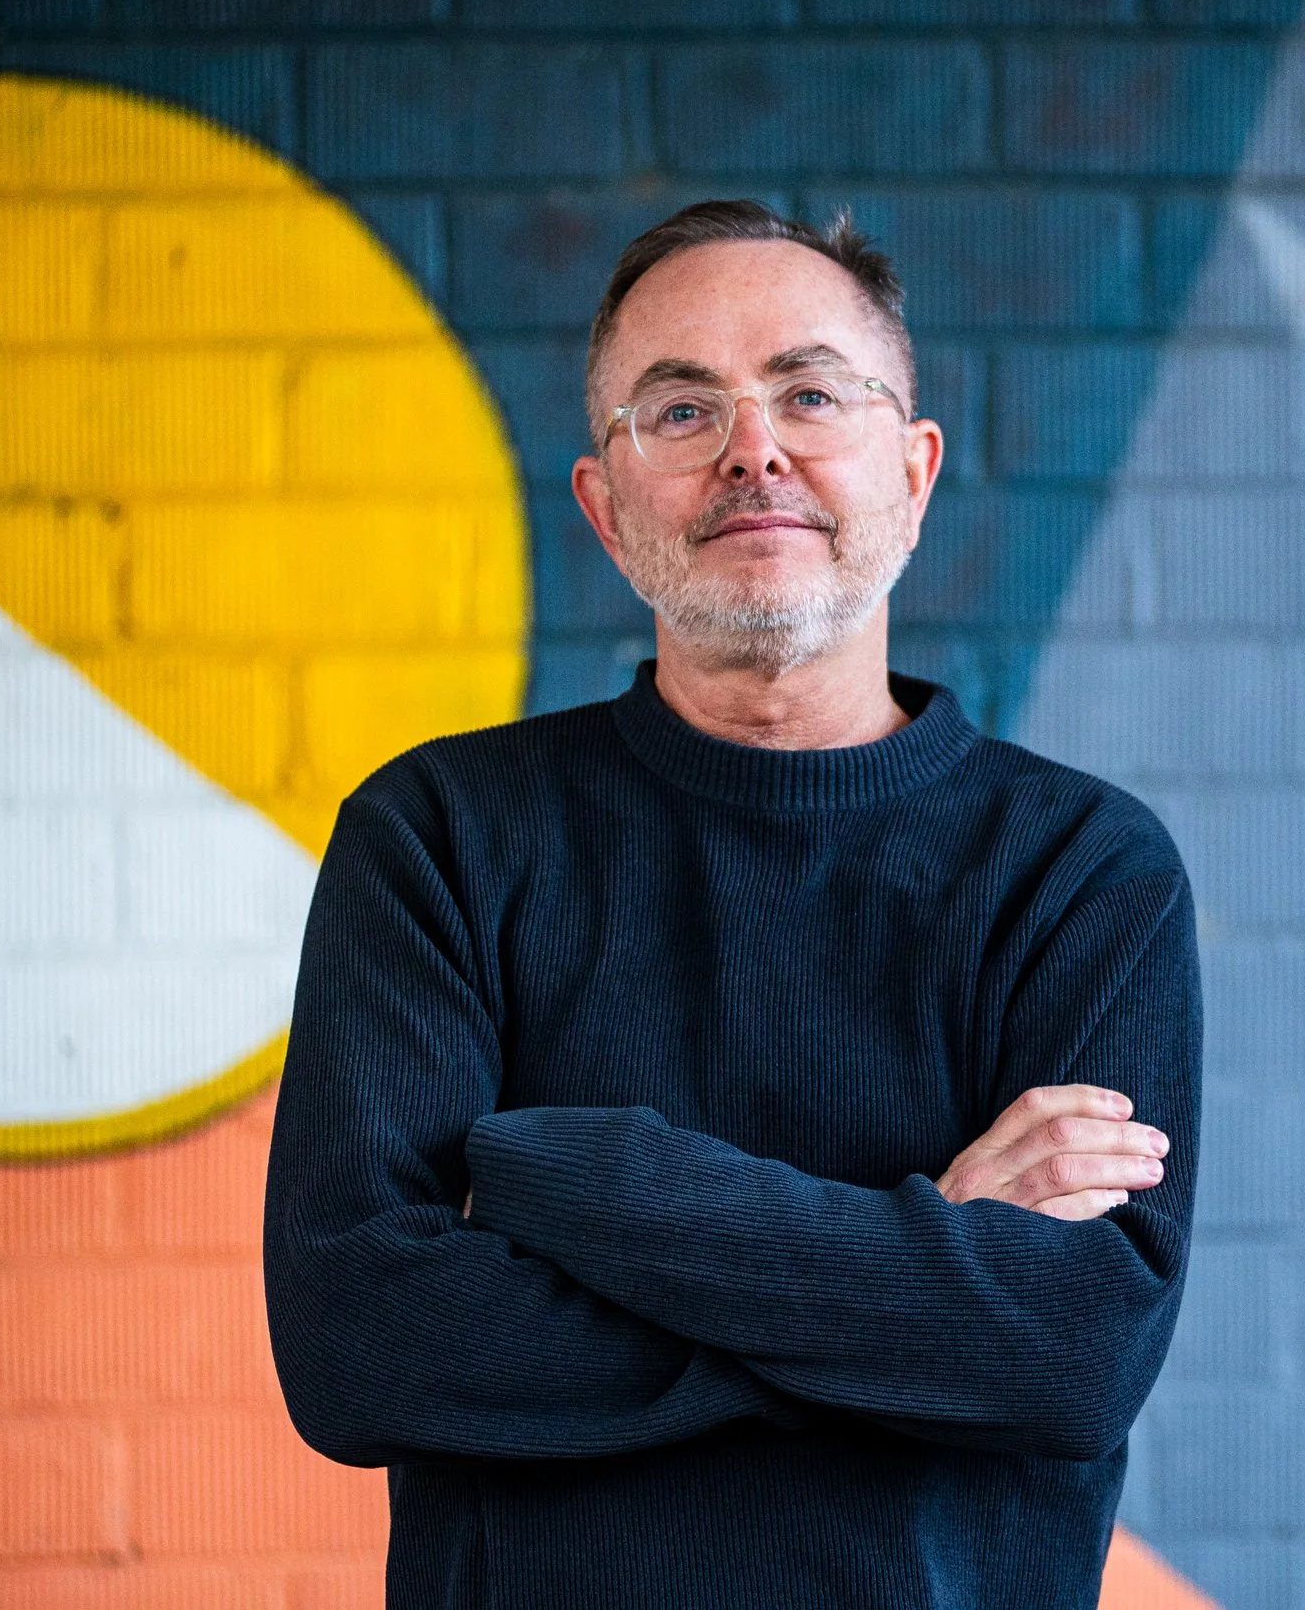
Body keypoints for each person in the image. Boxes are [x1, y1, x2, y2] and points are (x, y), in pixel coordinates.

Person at [262, 200, 1200, 1610]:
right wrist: (924, 1265)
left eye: (810, 394)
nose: (754, 450)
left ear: (913, 470)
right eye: (682, 411)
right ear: (604, 505)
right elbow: (359, 1348)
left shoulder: (1080, 869)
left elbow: (1071, 1357)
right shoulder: (439, 838)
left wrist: (590, 1179)